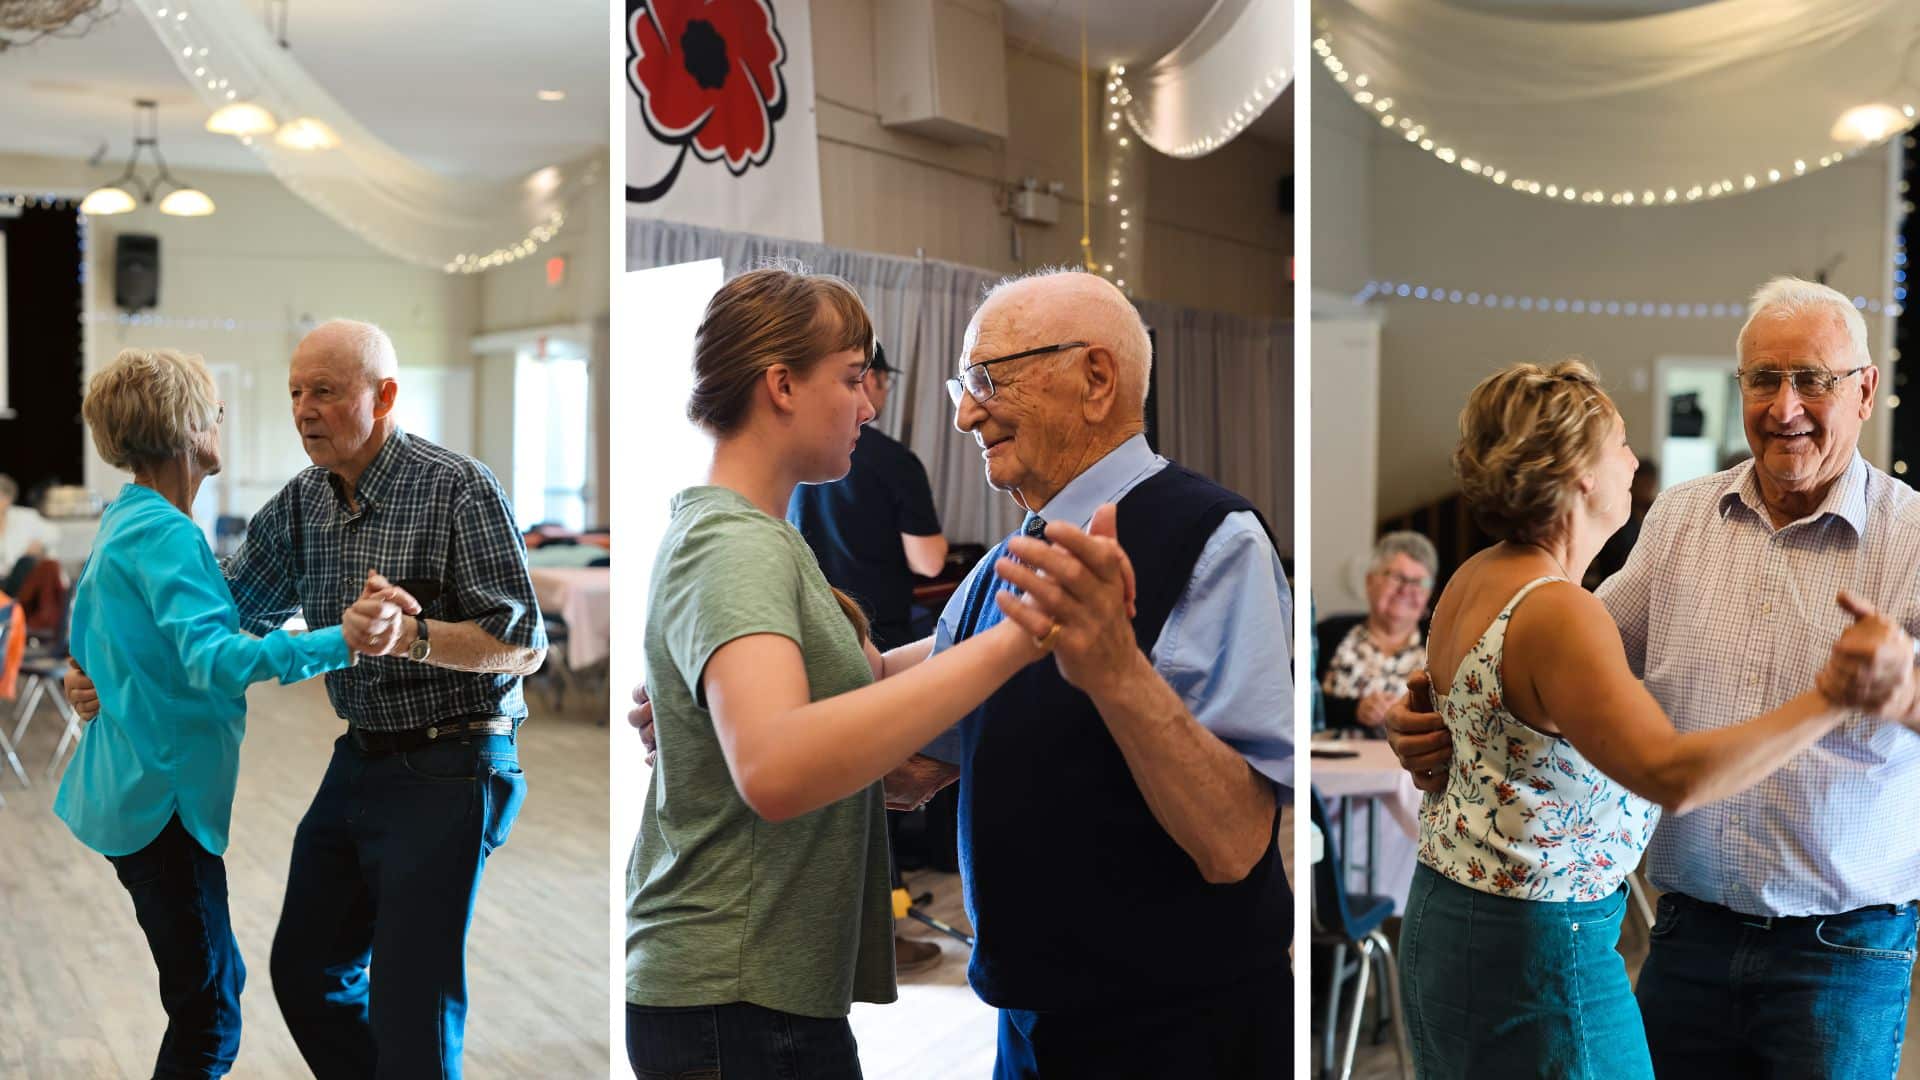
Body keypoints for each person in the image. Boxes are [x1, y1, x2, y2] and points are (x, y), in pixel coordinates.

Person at [1387, 280, 1920, 1079]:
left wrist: (1902, 693)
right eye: (1763, 379)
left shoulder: (1912, 537)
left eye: (1813, 379)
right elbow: (1562, 666)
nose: (1785, 406)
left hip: (1837, 951)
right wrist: (1435, 721)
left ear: (1866, 389)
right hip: (1684, 936)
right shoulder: (1678, 517)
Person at [626, 267, 1112, 1078]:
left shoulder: (759, 536)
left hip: (755, 992)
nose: (868, 405)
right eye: (852, 379)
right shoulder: (733, 545)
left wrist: (1003, 602)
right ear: (781, 385)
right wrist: (1017, 637)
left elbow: (863, 680)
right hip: (731, 994)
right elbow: (776, 767)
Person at [68, 320, 547, 1080]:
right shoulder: (301, 504)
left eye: (323, 391)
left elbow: (523, 643)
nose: (302, 409)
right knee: (305, 973)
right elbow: (214, 615)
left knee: (409, 1002)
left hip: (456, 756)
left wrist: (413, 637)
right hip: (361, 754)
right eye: (295, 392)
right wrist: (112, 664)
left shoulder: (457, 486)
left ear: (383, 395)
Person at [921, 268, 1291, 1078]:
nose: (964, 412)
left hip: (1176, 1032)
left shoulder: (1214, 540)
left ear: (1095, 379)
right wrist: (720, 711)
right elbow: (916, 754)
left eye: (987, 378)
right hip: (1030, 1023)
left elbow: (1234, 845)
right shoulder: (999, 567)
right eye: (963, 382)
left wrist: (1117, 673)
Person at [52, 347, 416, 1079]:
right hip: (161, 805)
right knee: (210, 1016)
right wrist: (340, 641)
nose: (223, 423)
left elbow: (96, 635)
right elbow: (214, 659)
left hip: (133, 791)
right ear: (191, 427)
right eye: (216, 411)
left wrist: (91, 678)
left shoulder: (129, 521)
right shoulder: (167, 535)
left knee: (213, 992)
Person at [787, 338, 951, 975]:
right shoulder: (891, 462)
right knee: (867, 788)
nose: (870, 402)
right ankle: (876, 933)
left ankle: (865, 934)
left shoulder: (798, 478)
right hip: (868, 630)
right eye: (859, 379)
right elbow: (930, 562)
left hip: (821, 639)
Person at [1316, 530, 1436, 737]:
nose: (1407, 590)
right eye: (1397, 577)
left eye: (1419, 582)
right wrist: (1355, 710)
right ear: (1370, 581)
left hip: (1410, 768)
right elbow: (1295, 700)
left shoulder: (1440, 648)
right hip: (1328, 765)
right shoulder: (1328, 633)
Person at [0, 472, 55, 594]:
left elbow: (54, 533)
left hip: (19, 578)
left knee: (26, 563)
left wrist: (39, 545)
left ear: (8, 499)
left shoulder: (26, 517)